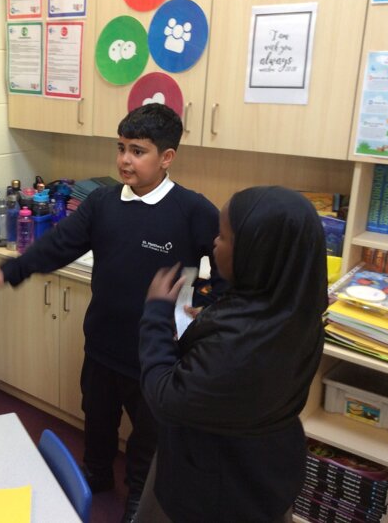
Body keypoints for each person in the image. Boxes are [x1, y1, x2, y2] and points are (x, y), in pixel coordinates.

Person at [0, 103, 222, 522]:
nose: (125, 159)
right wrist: (8, 271)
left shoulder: (193, 210)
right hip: (102, 343)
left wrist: (210, 307)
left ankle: (138, 500)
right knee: (98, 422)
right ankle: (96, 475)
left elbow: (227, 266)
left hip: (156, 355)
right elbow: (60, 245)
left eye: (138, 151)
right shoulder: (103, 202)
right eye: (121, 148)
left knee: (148, 439)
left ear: (166, 157)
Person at [137, 186, 327, 523]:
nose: (214, 243)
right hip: (269, 473)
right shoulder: (296, 307)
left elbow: (166, 396)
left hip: (217, 487)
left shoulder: (237, 347)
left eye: (224, 237)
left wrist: (155, 314)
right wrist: (208, 322)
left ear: (256, 252)